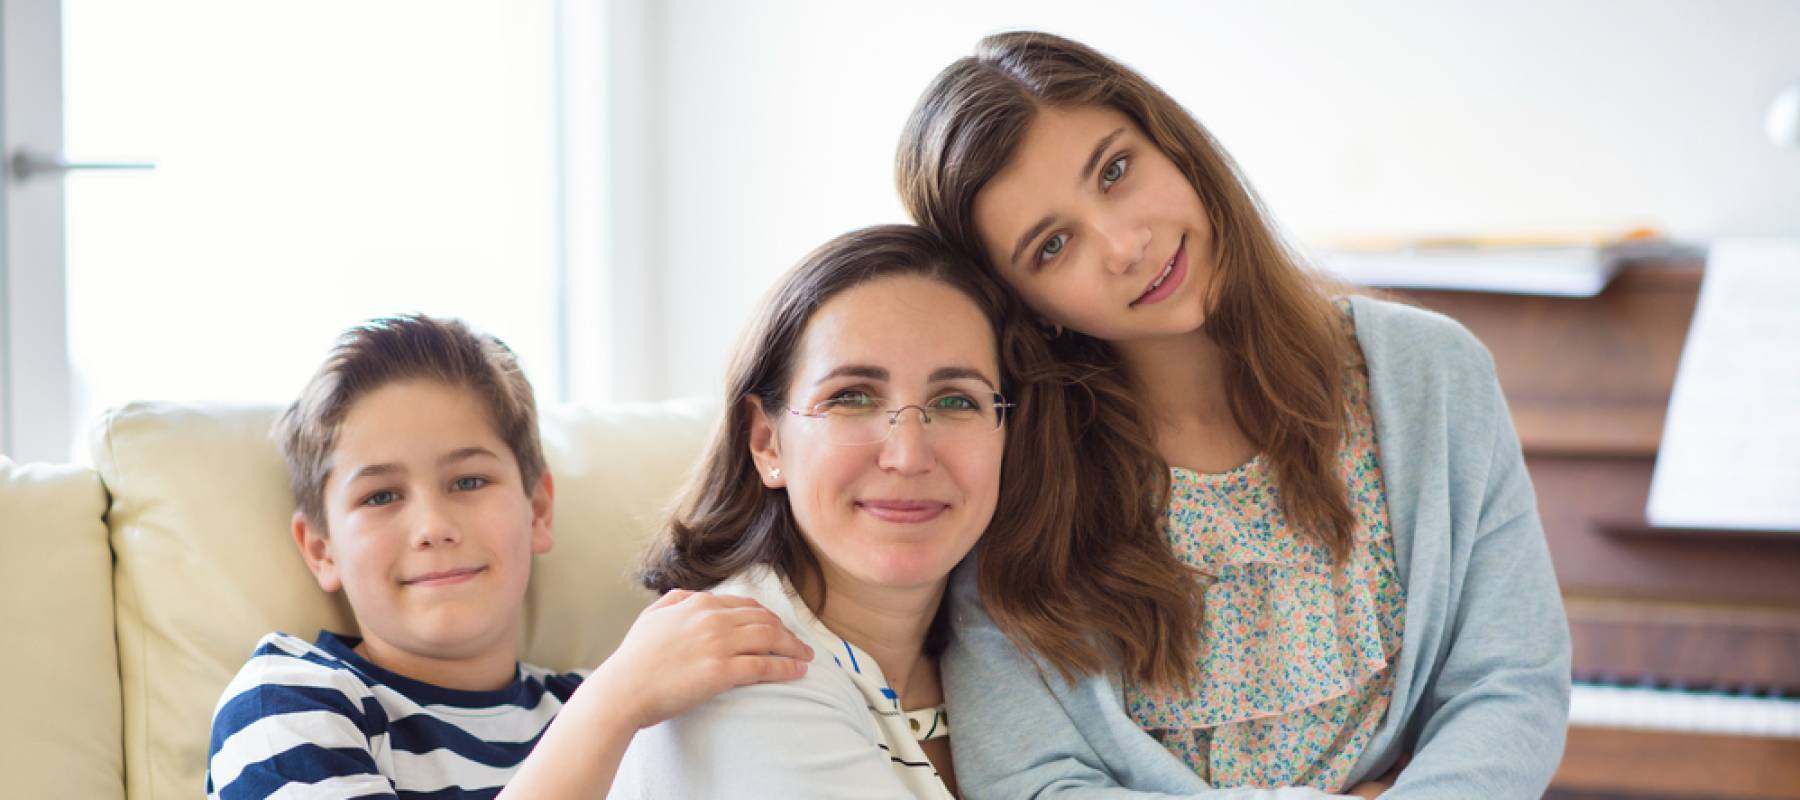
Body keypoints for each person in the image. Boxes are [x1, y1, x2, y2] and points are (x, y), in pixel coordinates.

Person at [894, 31, 1571, 799]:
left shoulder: (1433, 376)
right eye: (1053, 246)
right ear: (1020, 302)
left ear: (1172, 143)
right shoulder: (1010, 474)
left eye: (1116, 171)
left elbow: (1511, 686)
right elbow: (1033, 784)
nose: (1124, 245)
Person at [205, 314, 814, 799]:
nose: (434, 527)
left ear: (538, 511)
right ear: (321, 549)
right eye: (381, 495)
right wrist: (612, 703)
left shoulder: (611, 708)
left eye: (468, 482)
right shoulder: (288, 700)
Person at [612, 224, 1063, 798]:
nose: (908, 455)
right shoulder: (746, 672)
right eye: (851, 398)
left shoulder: (1010, 660)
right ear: (767, 444)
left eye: (956, 401)